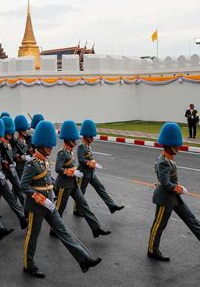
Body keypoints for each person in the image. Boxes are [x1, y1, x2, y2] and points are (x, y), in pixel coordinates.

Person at [21, 120, 102, 278]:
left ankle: (83, 259)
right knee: (32, 236)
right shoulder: (32, 164)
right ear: (43, 145)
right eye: (49, 145)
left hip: (49, 204)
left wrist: (54, 194)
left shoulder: (44, 161)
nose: (52, 147)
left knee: (63, 231)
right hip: (36, 206)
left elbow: (48, 181)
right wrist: (39, 198)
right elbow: (23, 186)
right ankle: (28, 265)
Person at [147, 122, 200, 262]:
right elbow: (166, 183)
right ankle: (152, 250)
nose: (178, 148)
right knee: (159, 226)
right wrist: (179, 188)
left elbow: (169, 180)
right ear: (169, 146)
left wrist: (177, 187)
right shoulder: (163, 161)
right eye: (176, 146)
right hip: (165, 198)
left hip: (174, 197)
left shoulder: (169, 159)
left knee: (192, 220)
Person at [53, 120, 110, 238]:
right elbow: (58, 169)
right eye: (73, 139)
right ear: (68, 140)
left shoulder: (70, 152)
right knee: (60, 208)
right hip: (63, 185)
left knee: (84, 205)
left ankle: (96, 228)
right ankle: (54, 229)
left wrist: (75, 172)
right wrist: (72, 172)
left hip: (73, 184)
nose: (75, 141)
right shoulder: (62, 153)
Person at [74, 119, 124, 217]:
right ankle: (76, 209)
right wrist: (90, 164)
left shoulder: (88, 146)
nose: (92, 138)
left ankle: (111, 205)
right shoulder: (81, 146)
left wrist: (93, 164)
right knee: (81, 193)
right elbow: (81, 160)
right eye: (91, 137)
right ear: (86, 136)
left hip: (92, 173)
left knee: (101, 188)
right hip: (84, 174)